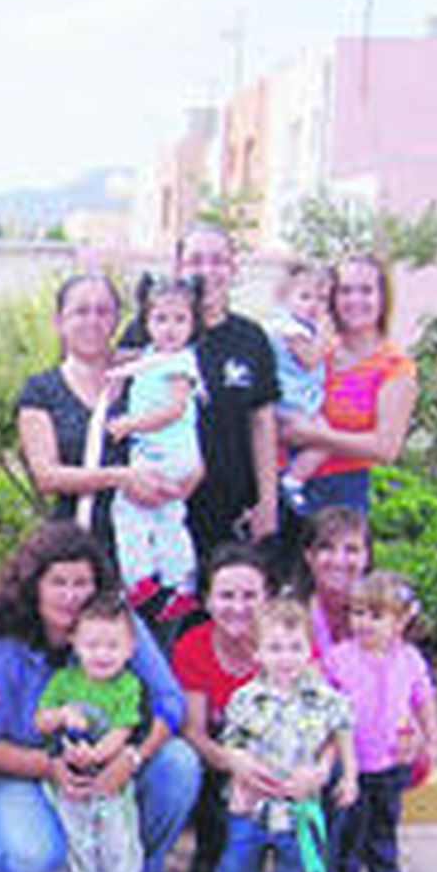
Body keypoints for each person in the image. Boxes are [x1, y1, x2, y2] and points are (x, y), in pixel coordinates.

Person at [0, 521, 201, 872]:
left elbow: (170, 702)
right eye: (57, 582)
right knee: (29, 857)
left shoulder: (116, 626)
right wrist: (51, 767)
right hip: (26, 770)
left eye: (81, 583)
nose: (70, 595)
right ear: (34, 585)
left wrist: (132, 758)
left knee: (179, 763)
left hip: (112, 763)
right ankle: (19, 867)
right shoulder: (3, 648)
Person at [204, 598, 357, 872]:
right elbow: (233, 741)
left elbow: (341, 733)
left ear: (309, 650)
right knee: (235, 866)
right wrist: (239, 774)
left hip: (298, 804)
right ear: (257, 652)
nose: (286, 657)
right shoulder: (246, 698)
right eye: (274, 648)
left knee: (298, 870)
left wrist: (346, 776)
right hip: (253, 802)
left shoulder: (323, 698)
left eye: (295, 648)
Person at [126, 225, 279, 558]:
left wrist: (268, 501)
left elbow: (263, 423)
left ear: (234, 269)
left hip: (231, 508)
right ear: (179, 268)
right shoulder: (142, 335)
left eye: (218, 260)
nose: (207, 271)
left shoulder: (251, 338)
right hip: (158, 501)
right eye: (195, 260)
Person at [18, 274, 193, 559]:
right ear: (59, 321)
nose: (92, 321)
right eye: (80, 311)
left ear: (116, 320)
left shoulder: (150, 374)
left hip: (151, 536)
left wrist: (176, 485)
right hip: (77, 545)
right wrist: (119, 477)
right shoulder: (41, 390)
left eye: (103, 311)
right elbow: (47, 476)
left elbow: (185, 434)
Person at [34, 593, 152, 872]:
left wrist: (96, 756)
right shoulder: (65, 681)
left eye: (112, 646)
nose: (102, 654)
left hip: (111, 780)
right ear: (75, 643)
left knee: (120, 842)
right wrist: (60, 715)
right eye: (92, 644)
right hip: (67, 780)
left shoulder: (128, 685)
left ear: (130, 648)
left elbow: (123, 730)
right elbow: (40, 721)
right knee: (81, 843)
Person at [323, 571, 437, 872]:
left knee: (384, 818)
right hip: (352, 759)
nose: (364, 623)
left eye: (376, 616)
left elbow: (423, 700)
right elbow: (326, 703)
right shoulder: (339, 657)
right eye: (358, 613)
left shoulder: (410, 660)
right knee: (349, 820)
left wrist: (431, 739)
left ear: (401, 621)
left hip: (392, 756)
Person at [282, 254, 418, 516]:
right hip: (282, 479)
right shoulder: (313, 351)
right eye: (345, 291)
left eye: (366, 290)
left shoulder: (394, 366)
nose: (355, 300)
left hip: (342, 494)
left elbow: (386, 448)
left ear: (382, 298)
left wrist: (315, 436)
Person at [171, 543, 273, 872]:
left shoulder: (288, 644)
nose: (238, 607)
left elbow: (317, 714)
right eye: (226, 596)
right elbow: (194, 732)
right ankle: (212, 848)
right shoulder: (193, 647)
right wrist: (234, 762)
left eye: (250, 595)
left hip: (282, 757)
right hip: (219, 765)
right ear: (206, 600)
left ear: (268, 597)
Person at [107, 274, 204, 620]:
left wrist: (128, 424)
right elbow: (135, 363)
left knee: (128, 509)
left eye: (179, 320)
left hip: (167, 453)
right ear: (146, 322)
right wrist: (115, 368)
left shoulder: (180, 362)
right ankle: (179, 582)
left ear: (193, 324)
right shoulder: (154, 356)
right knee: (167, 517)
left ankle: (140, 575)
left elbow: (174, 409)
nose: (169, 328)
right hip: (159, 452)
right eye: (161, 319)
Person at [264, 261, 332, 518]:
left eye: (322, 299)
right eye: (305, 297)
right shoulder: (289, 328)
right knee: (325, 438)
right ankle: (291, 480)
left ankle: (292, 477)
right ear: (286, 298)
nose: (313, 305)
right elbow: (310, 359)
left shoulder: (304, 328)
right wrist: (324, 337)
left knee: (324, 439)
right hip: (288, 400)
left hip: (301, 400)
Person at [298, 505, 372, 660]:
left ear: (367, 558)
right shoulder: (289, 614)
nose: (338, 560)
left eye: (351, 550)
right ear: (309, 556)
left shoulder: (387, 615)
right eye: (326, 548)